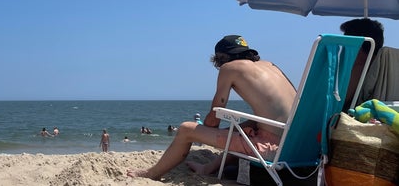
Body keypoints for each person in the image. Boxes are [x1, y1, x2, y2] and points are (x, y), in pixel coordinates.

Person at [127, 35, 296, 179]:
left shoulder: (229, 68)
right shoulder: (270, 65)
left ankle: (150, 174)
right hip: (296, 142)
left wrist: (204, 131)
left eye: (217, 62)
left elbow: (214, 118)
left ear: (222, 58)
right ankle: (208, 169)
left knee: (186, 129)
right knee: (249, 124)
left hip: (272, 149)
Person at [339, 18, 385, 111]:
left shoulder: (360, 67)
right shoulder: (384, 67)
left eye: (345, 44)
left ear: (356, 47)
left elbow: (338, 102)